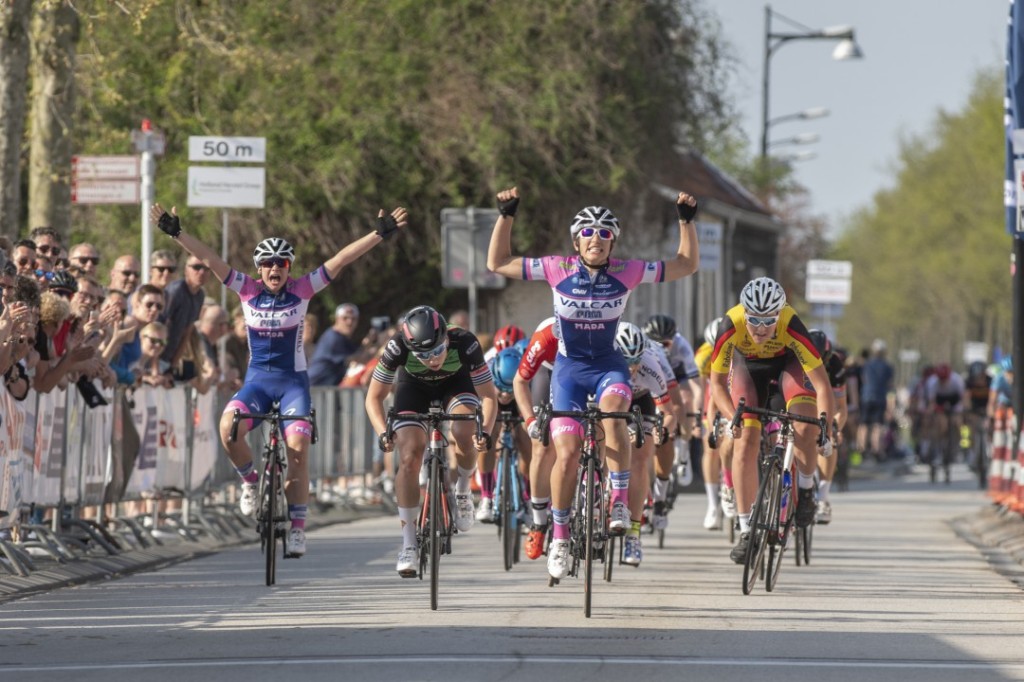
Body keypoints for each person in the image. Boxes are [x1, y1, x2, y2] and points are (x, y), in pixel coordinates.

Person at [150, 200, 406, 558]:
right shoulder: (246, 289)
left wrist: (378, 235)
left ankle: (298, 528)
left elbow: (341, 259)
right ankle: (252, 483)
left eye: (281, 263)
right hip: (257, 382)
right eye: (268, 263)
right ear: (259, 268)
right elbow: (209, 258)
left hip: (292, 385)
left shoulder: (302, 289)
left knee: (298, 452)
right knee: (228, 429)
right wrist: (177, 233)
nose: (275, 268)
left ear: (289, 268)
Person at [487, 185, 700, 580]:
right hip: (568, 370)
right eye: (588, 232)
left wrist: (686, 222)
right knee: (565, 454)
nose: (596, 239)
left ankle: (619, 503)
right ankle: (561, 538)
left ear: (613, 242)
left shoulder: (628, 271)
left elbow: (685, 264)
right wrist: (507, 215)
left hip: (608, 365)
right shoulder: (556, 268)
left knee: (615, 413)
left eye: (605, 233)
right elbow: (498, 262)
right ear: (576, 240)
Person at [707, 277, 835, 564]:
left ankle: (805, 488)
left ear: (781, 313)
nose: (762, 328)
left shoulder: (791, 324)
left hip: (787, 364)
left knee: (804, 423)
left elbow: (823, 386)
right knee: (745, 441)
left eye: (769, 321)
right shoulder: (731, 324)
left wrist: (824, 427)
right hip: (748, 368)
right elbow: (716, 384)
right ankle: (746, 529)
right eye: (754, 320)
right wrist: (732, 419)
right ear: (744, 313)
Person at [364, 305, 498, 576]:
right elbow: (374, 398)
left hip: (456, 385)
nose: (433, 359)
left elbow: (488, 396)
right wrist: (382, 432)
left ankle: (462, 490)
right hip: (413, 389)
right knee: (410, 456)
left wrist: (483, 431)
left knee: (463, 432)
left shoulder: (465, 342)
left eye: (438, 350)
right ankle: (409, 544)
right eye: (423, 355)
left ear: (446, 337)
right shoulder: (397, 346)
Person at [513, 316, 558, 560]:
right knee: (542, 445)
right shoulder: (546, 336)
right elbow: (520, 381)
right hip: (548, 371)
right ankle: (539, 522)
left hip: (584, 371)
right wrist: (530, 421)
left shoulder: (600, 329)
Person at [807, 329, 849, 524]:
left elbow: (841, 407)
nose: (819, 366)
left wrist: (834, 427)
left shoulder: (835, 365)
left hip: (826, 406)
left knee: (829, 440)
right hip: (802, 400)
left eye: (822, 361)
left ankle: (823, 496)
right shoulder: (797, 357)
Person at [159, 254, 210, 379]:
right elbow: (158, 326)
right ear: (186, 270)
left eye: (206, 268)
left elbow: (187, 332)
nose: (202, 272)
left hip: (168, 361)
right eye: (196, 267)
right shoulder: (175, 291)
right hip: (156, 357)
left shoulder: (200, 296)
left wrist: (173, 366)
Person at [307, 302, 360, 386]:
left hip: (324, 391)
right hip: (315, 390)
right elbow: (355, 360)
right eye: (345, 318)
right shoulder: (333, 338)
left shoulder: (342, 338)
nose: (349, 322)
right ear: (337, 319)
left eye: (353, 319)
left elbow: (358, 355)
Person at [858, 339, 894, 461]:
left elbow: (863, 379)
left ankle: (862, 449)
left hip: (866, 396)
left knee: (864, 424)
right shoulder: (888, 366)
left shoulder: (867, 365)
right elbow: (890, 384)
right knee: (877, 425)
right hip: (880, 397)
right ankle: (876, 450)